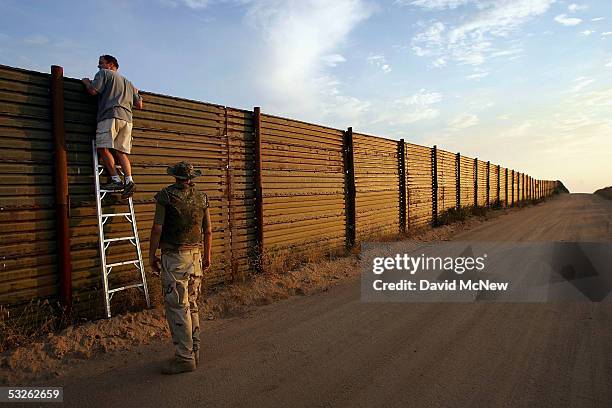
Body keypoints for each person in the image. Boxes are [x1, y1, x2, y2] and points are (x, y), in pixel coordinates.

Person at [149, 161, 212, 375]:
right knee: (192, 304)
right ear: (192, 178)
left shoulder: (166, 196)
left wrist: (151, 255)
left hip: (175, 258)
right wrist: (207, 256)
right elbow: (208, 231)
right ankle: (194, 350)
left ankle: (184, 357)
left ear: (175, 177)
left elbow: (157, 228)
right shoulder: (202, 198)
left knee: (177, 307)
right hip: (195, 257)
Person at [81, 54, 143, 199]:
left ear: (110, 65)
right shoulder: (129, 83)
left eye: (101, 63)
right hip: (127, 120)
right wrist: (137, 93)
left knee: (102, 147)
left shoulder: (103, 73)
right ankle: (129, 181)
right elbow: (139, 104)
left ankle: (116, 180)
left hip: (110, 115)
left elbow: (93, 91)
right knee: (121, 152)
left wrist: (86, 82)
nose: (99, 66)